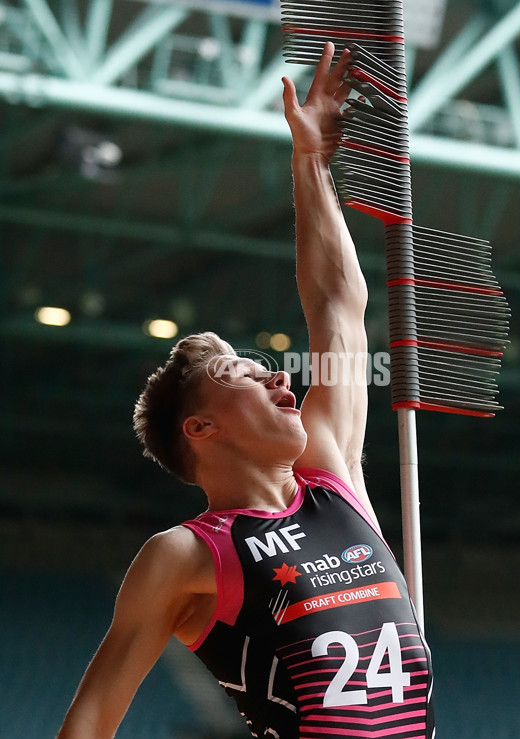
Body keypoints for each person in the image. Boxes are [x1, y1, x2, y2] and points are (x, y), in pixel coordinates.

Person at [58, 43, 434, 739]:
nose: (279, 375)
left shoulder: (332, 475)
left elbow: (338, 307)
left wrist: (312, 163)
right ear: (201, 428)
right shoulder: (186, 554)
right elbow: (91, 717)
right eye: (244, 373)